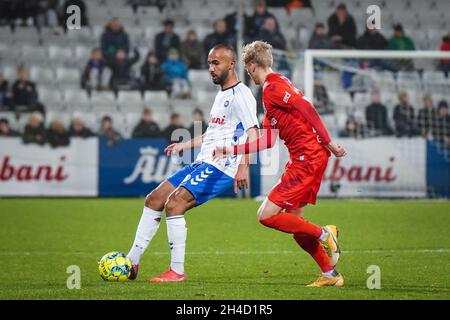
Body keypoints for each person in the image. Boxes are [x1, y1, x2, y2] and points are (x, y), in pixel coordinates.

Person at [213, 41, 347, 287]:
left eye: (248, 70)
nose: (249, 74)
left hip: (307, 159)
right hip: (305, 158)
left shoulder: (274, 87)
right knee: (298, 226)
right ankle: (331, 275)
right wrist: (231, 149)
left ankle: (325, 233)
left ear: (253, 67)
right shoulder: (274, 88)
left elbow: (308, 108)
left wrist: (329, 143)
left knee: (265, 215)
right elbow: (267, 141)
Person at [125, 44, 259, 282]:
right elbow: (214, 133)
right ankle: (131, 262)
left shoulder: (241, 95)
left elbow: (254, 135)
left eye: (216, 63)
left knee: (175, 204)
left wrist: (242, 167)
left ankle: (177, 271)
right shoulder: (222, 95)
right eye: (209, 63)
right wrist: (184, 145)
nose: (211, 68)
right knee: (154, 199)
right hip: (202, 162)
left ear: (231, 63)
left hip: (221, 167)